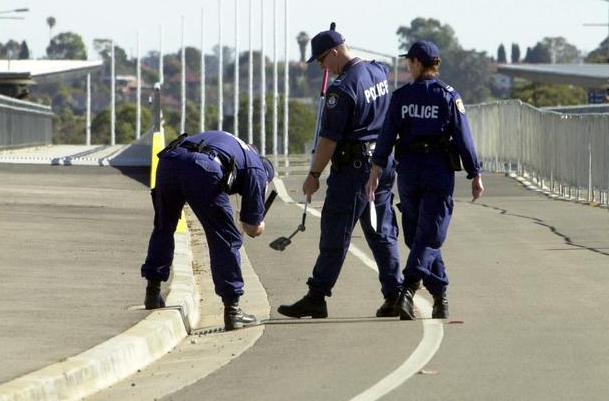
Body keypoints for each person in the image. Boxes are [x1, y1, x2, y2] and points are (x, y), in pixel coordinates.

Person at [278, 29, 403, 319]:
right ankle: (395, 293)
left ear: (335, 52)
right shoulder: (378, 71)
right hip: (381, 163)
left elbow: (329, 140)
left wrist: (314, 174)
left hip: (354, 169)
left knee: (335, 232)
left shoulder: (342, 88)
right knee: (381, 232)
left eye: (322, 60)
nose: (322, 67)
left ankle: (317, 295)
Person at [365, 40, 484, 320]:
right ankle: (420, 290)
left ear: (418, 63)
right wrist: (474, 173)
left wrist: (376, 169)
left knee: (423, 235)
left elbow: (385, 137)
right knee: (428, 235)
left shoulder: (402, 96)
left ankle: (428, 294)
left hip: (409, 171)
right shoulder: (448, 95)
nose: (407, 66)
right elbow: (464, 138)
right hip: (436, 170)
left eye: (409, 62)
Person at [141, 130, 275, 331]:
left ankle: (152, 292)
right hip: (202, 167)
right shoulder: (257, 169)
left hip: (169, 159)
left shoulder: (234, 146)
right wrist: (259, 223)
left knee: (163, 226)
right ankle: (233, 311)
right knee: (224, 237)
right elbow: (252, 228)